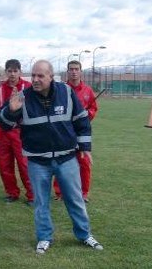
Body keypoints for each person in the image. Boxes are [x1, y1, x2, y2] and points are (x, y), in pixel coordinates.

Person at [0, 60, 103, 254]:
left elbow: (81, 120)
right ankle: (44, 237)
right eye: (33, 75)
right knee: (41, 203)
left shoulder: (67, 92)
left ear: (51, 77)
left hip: (67, 158)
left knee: (75, 200)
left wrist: (85, 146)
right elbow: (2, 124)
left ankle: (85, 234)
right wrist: (11, 111)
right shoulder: (22, 96)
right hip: (37, 161)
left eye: (40, 76)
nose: (35, 79)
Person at [53, 60, 99, 202]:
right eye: (71, 69)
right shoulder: (60, 89)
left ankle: (83, 193)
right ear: (67, 71)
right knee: (61, 162)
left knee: (83, 163)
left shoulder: (88, 90)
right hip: (64, 133)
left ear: (80, 71)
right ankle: (60, 193)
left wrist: (85, 117)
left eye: (76, 69)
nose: (73, 71)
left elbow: (93, 108)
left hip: (81, 133)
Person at [0, 59, 33, 205]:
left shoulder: (28, 87)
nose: (12, 74)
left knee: (24, 165)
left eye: (15, 71)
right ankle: (12, 192)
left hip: (21, 132)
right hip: (4, 132)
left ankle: (32, 195)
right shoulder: (1, 88)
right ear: (6, 72)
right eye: (9, 71)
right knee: (4, 164)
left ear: (20, 72)